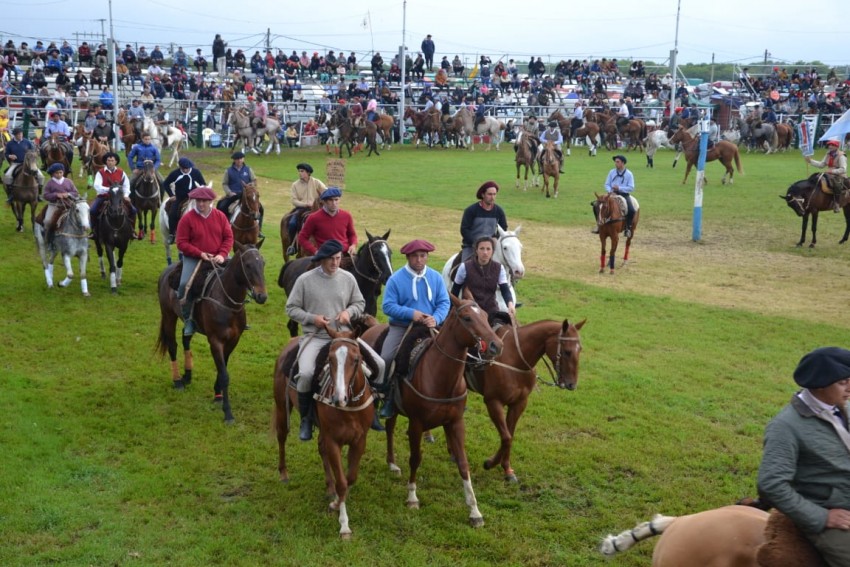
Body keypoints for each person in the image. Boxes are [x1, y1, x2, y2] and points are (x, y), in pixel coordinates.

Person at [757, 347, 850, 567]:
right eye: (843, 382)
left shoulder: (843, 406)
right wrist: (822, 517)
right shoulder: (785, 427)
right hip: (830, 513)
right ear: (819, 384)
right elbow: (771, 484)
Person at [285, 239, 368, 441]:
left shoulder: (348, 278)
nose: (335, 263)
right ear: (321, 260)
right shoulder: (305, 280)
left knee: (378, 366)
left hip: (345, 337)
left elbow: (360, 302)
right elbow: (291, 308)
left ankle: (370, 412)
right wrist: (312, 319)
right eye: (331, 259)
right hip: (315, 336)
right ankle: (306, 419)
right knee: (305, 374)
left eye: (338, 258)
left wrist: (349, 312)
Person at [378, 239, 451, 418]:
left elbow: (444, 302)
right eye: (415, 256)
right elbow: (387, 306)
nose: (419, 260)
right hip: (403, 327)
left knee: (453, 354)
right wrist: (411, 314)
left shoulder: (435, 277)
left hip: (430, 327)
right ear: (408, 257)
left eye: (422, 256)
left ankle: (453, 396)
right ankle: (387, 397)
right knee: (386, 358)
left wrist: (436, 318)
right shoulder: (395, 279)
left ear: (427, 257)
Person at [175, 186, 234, 336]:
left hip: (218, 257)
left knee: (241, 274)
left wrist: (222, 254)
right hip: (195, 258)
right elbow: (181, 243)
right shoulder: (187, 219)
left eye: (204, 201)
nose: (201, 204)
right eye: (198, 201)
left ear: (210, 201)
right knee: (183, 285)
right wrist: (200, 253)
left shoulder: (220, 216)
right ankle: (188, 320)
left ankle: (237, 315)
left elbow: (228, 237)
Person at [451, 235, 515, 320]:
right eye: (482, 249)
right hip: (471, 314)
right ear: (476, 250)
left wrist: (510, 304)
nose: (485, 252)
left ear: (492, 251)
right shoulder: (464, 267)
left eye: (488, 249)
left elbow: (505, 290)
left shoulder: (499, 268)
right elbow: (455, 291)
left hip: (492, 312)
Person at [297, 187, 357, 256]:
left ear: (339, 200)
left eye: (336, 200)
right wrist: (315, 251)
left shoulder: (347, 216)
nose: (334, 203)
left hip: (345, 253)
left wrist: (353, 245)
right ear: (324, 201)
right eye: (330, 200)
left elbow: (352, 235)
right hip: (326, 256)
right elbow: (302, 237)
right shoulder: (313, 218)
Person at [460, 180, 508, 262]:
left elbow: (504, 228)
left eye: (494, 194)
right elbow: (464, 229)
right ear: (483, 195)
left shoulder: (499, 211)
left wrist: (496, 238)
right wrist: (476, 242)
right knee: (464, 267)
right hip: (471, 246)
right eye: (489, 194)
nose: (492, 197)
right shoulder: (471, 210)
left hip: (491, 246)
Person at [218, 151, 263, 236]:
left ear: (243, 159)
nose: (239, 160)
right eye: (237, 159)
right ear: (234, 160)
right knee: (221, 206)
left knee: (261, 209)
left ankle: (259, 229)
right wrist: (229, 192)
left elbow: (254, 180)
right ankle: (223, 228)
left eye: (241, 159)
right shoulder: (228, 171)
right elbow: (225, 184)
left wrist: (250, 185)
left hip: (247, 195)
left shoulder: (248, 169)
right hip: (234, 195)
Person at [162, 157, 206, 243]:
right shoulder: (175, 173)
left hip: (194, 197)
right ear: (180, 167)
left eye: (188, 168)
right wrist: (171, 195)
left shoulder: (196, 172)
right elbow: (165, 183)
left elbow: (203, 184)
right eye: (184, 168)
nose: (186, 170)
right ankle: (172, 234)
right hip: (180, 197)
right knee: (172, 213)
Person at [286, 163, 327, 255]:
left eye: (302, 171)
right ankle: (292, 246)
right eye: (299, 171)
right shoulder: (295, 185)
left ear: (308, 173)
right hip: (301, 209)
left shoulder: (316, 182)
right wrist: (304, 204)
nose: (300, 173)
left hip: (316, 209)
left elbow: (326, 193)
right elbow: (294, 200)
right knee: (292, 223)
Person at [90, 151, 134, 234]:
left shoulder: (121, 172)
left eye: (112, 160)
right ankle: (94, 230)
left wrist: (126, 195)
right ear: (106, 161)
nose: (110, 162)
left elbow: (126, 185)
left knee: (133, 210)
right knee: (92, 210)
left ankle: (131, 230)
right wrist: (110, 190)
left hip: (118, 197)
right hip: (103, 196)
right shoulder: (100, 172)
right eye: (108, 160)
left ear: (116, 161)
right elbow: (97, 186)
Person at [593, 155, 636, 237]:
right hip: (611, 194)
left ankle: (628, 228)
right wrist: (610, 191)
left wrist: (619, 188)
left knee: (631, 210)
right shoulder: (611, 172)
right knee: (596, 205)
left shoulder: (629, 174)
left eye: (618, 162)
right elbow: (607, 184)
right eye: (615, 162)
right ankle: (599, 225)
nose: (615, 164)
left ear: (623, 163)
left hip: (623, 194)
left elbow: (631, 187)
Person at [42, 163, 79, 245]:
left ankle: (81, 237)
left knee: (79, 217)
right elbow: (45, 195)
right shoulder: (49, 183)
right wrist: (56, 195)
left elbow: (76, 193)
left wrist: (68, 194)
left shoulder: (68, 181)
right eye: (56, 173)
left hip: (69, 205)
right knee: (47, 220)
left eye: (60, 172)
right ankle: (47, 237)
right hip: (54, 205)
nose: (59, 174)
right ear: (52, 174)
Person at [4, 127, 44, 201]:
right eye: (18, 134)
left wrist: (33, 154)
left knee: (41, 176)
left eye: (21, 134)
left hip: (29, 163)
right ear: (14, 135)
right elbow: (6, 154)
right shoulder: (9, 144)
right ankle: (11, 195)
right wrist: (10, 156)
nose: (20, 135)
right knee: (7, 176)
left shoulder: (27, 142)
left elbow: (33, 151)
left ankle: (39, 194)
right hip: (16, 163)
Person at [806, 139, 847, 212]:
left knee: (837, 185)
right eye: (829, 145)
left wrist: (832, 171)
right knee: (816, 178)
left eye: (832, 145)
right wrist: (811, 161)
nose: (830, 146)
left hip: (839, 175)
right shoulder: (828, 154)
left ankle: (836, 204)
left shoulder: (842, 156)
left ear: (836, 146)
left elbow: (843, 169)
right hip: (828, 173)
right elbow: (822, 164)